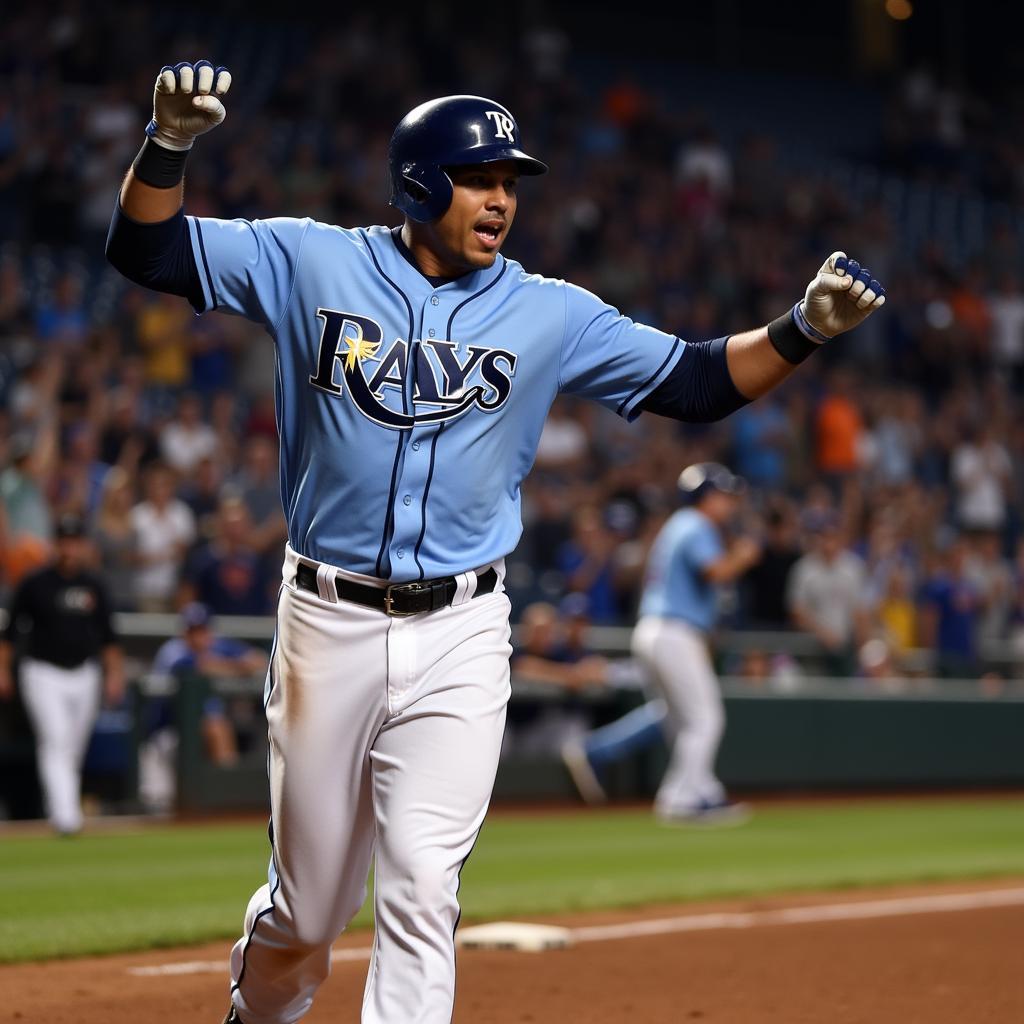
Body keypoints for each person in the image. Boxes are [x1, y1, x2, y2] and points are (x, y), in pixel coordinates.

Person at [105, 60, 886, 1024]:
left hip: (463, 631)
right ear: (422, 182)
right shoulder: (311, 260)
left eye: (512, 184)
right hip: (326, 621)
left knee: (424, 886)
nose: (502, 201)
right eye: (484, 180)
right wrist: (169, 143)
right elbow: (145, 251)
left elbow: (694, 383)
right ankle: (257, 1012)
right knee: (308, 911)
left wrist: (803, 327)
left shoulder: (549, 310)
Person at [0, 513, 124, 834]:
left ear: (82, 545)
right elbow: (10, 634)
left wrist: (114, 676)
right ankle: (66, 817)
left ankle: (64, 808)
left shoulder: (94, 584)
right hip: (42, 672)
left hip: (84, 672)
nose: (69, 548)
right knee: (55, 740)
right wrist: (3, 670)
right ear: (55, 544)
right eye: (64, 541)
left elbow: (109, 638)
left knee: (72, 746)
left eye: (74, 541)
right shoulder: (35, 582)